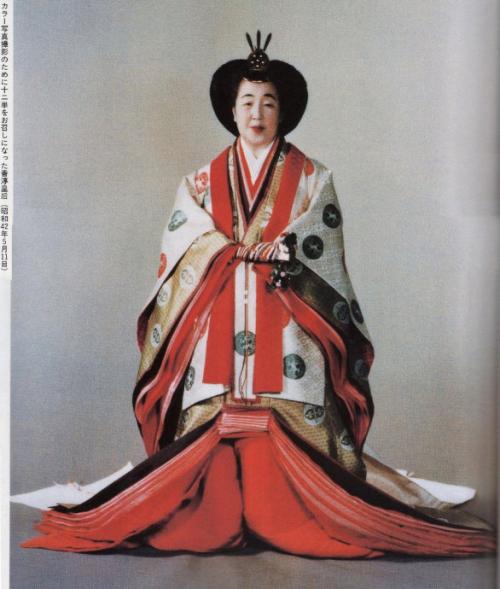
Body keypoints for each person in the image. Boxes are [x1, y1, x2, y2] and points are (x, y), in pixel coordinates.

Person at [22, 32, 495, 557]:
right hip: (218, 320)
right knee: (208, 426)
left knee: (296, 414)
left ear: (283, 111)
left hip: (287, 321)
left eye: (268, 102)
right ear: (231, 110)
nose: (257, 113)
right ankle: (210, 506)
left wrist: (285, 248)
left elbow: (321, 239)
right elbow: (185, 240)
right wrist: (232, 251)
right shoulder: (200, 181)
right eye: (247, 101)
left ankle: (305, 506)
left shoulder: (313, 177)